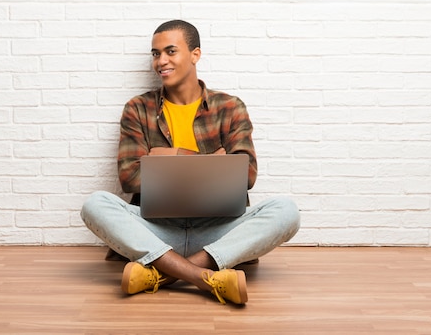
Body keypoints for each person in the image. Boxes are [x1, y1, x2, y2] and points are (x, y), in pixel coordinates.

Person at [81, 20, 300, 305]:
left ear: (195, 54)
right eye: (155, 54)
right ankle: (205, 277)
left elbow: (245, 174)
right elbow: (130, 177)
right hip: (157, 229)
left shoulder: (229, 107)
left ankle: (162, 273)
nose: (161, 61)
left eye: (170, 51)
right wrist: (211, 161)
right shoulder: (138, 108)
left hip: (217, 229)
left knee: (286, 211)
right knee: (95, 204)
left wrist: (169, 157)